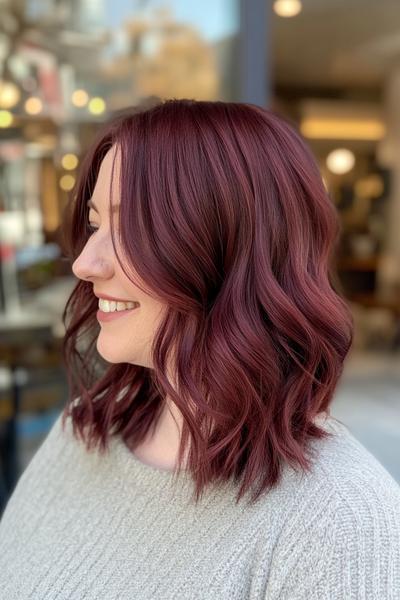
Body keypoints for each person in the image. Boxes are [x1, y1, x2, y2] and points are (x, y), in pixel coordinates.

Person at [0, 98, 399, 599]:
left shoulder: (340, 521)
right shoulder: (84, 430)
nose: (84, 262)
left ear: (230, 250)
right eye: (98, 224)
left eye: (132, 229)